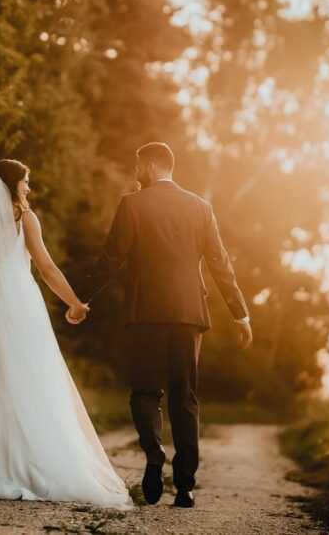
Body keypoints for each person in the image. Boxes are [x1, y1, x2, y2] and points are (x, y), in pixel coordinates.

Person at [0, 159, 132, 509]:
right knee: (32, 379)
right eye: (26, 181)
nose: (29, 187)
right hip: (20, 305)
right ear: (11, 184)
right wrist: (75, 302)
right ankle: (29, 463)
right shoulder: (25, 218)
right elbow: (45, 268)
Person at [76, 142, 253, 509]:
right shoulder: (201, 208)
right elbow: (220, 263)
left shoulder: (132, 204)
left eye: (138, 164)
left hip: (146, 313)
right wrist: (240, 312)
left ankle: (154, 452)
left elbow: (111, 257)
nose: (135, 171)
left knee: (144, 393)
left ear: (153, 165)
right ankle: (185, 486)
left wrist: (83, 299)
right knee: (185, 399)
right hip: (189, 316)